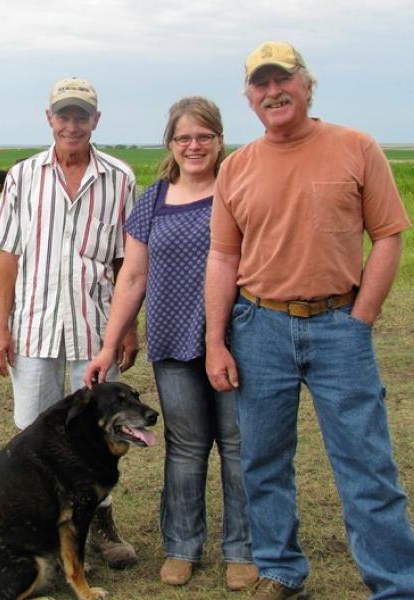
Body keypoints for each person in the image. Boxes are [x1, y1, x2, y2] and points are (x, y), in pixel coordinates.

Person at [205, 41, 414, 600]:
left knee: (366, 465)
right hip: (259, 327)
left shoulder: (356, 147)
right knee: (264, 461)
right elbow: (224, 257)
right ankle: (281, 570)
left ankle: (396, 584)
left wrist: (361, 316)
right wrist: (215, 341)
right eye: (261, 84)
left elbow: (389, 234)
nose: (273, 92)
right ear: (249, 97)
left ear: (306, 84)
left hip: (338, 324)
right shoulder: (238, 167)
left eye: (283, 80)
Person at [82, 96, 257, 591]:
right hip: (173, 340)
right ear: (171, 144)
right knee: (185, 446)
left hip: (237, 337)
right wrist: (108, 345)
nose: (194, 145)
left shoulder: (238, 189)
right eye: (184, 138)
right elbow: (133, 277)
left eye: (204, 136)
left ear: (220, 140)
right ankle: (182, 547)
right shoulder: (153, 200)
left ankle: (242, 550)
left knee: (239, 446)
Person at [0, 77, 140, 569]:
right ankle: (43, 533)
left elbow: (125, 263)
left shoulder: (119, 177)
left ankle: (101, 530)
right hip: (33, 327)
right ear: (48, 118)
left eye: (81, 116)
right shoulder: (23, 176)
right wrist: (0, 326)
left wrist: (129, 328)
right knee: (34, 432)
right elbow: (8, 256)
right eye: (63, 115)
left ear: (96, 120)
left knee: (101, 432)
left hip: (97, 330)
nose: (72, 124)